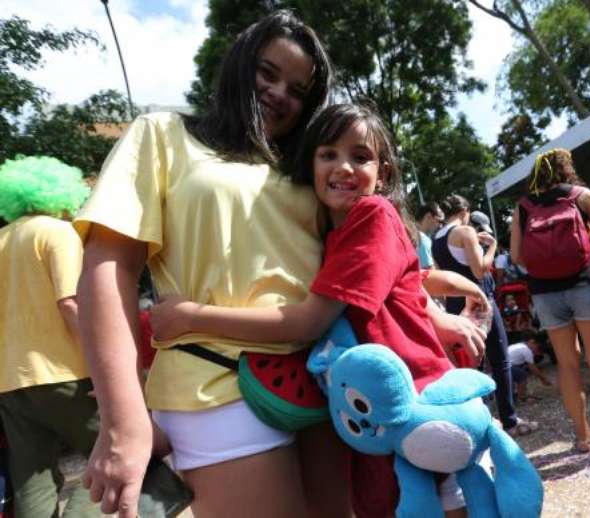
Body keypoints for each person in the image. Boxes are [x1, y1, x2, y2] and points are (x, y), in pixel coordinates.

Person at [148, 103, 491, 517]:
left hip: (415, 404)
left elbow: (310, 320)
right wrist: (438, 317)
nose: (343, 166)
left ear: (383, 174)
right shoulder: (334, 234)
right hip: (377, 410)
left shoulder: (372, 214)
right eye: (328, 154)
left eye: (360, 157)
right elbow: (404, 285)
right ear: (310, 165)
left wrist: (191, 317)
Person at [74, 12, 346, 518]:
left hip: (327, 383)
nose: (279, 93)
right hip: (219, 387)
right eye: (268, 73)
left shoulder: (311, 165)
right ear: (239, 64)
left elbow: (356, 258)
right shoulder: (164, 134)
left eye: (298, 89)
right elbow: (108, 268)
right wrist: (122, 419)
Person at [510, 148, 590, 454]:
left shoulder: (524, 206)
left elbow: (516, 257)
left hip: (545, 292)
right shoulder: (581, 195)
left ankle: (582, 438)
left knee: (568, 366)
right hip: (586, 283)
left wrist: (546, 269)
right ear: (567, 169)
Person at [0, 156, 100, 517]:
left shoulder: (3, 239)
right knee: (120, 455)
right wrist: (104, 372)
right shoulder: (57, 233)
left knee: (33, 480)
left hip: (10, 382)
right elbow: (71, 304)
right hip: (65, 373)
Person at [433, 195, 537, 436]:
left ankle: (481, 421)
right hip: (478, 299)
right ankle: (509, 421)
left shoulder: (437, 238)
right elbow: (480, 271)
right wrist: (491, 246)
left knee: (469, 363)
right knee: (499, 360)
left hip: (454, 302)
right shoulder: (465, 231)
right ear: (465, 211)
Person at [507, 330, 552, 401]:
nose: (537, 351)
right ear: (532, 342)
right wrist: (543, 379)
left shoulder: (520, 345)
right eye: (537, 347)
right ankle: (521, 397)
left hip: (503, 365)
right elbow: (533, 368)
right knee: (522, 374)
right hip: (506, 366)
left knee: (520, 371)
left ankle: (513, 394)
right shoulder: (526, 350)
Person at [415, 202, 444, 269]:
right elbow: (430, 271)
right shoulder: (422, 238)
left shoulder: (417, 235)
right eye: (439, 221)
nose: (441, 226)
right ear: (429, 216)